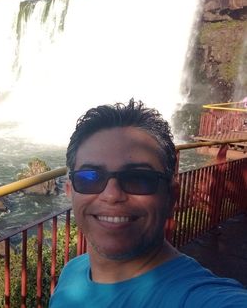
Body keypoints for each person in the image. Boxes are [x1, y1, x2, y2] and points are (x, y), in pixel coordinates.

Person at [49, 99, 247, 307]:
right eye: (90, 177)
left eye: (139, 178)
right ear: (70, 191)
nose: (112, 194)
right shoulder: (72, 272)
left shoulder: (198, 297)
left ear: (171, 196)